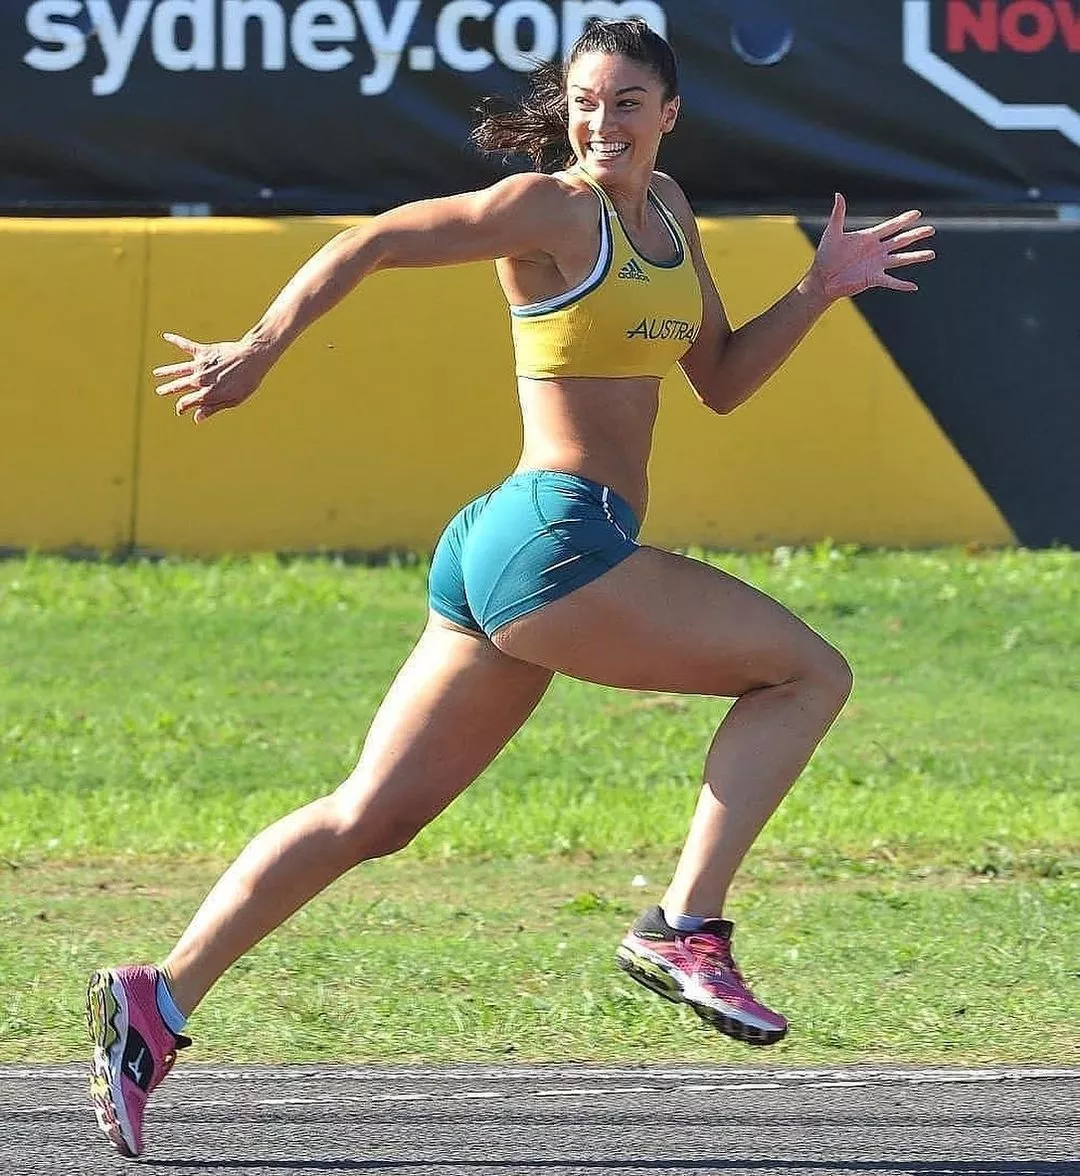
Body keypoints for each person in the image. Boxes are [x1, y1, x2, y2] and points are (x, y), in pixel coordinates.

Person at [85, 18, 935, 1159]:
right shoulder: (549, 210)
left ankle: (157, 1000)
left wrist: (819, 289)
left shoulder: (669, 210)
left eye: (626, 101)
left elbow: (724, 378)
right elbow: (376, 240)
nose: (602, 121)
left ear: (669, 113)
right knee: (807, 676)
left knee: (372, 816)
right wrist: (261, 346)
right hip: (552, 542)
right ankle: (685, 926)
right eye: (586, 101)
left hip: (511, 548)